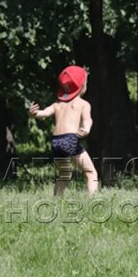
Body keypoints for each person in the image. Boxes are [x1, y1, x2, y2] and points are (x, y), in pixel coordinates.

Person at [29, 65, 99, 195]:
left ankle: (57, 201)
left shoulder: (57, 104)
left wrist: (34, 113)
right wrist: (86, 129)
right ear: (82, 86)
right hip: (69, 139)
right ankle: (93, 201)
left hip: (56, 141)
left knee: (64, 175)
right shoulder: (83, 103)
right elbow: (88, 120)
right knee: (90, 172)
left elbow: (43, 113)